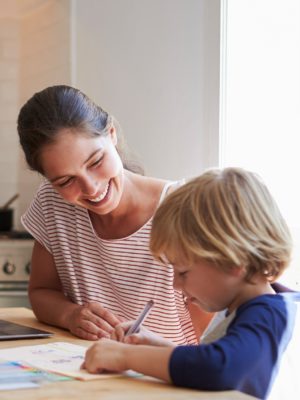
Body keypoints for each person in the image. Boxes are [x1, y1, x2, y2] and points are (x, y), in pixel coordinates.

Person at [83, 167, 300, 399]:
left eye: (183, 272)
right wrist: (157, 346)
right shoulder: (247, 308)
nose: (175, 284)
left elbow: (219, 367)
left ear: (232, 261)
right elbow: (213, 359)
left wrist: (124, 357)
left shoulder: (268, 315)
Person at [17, 85, 209, 343]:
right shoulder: (52, 204)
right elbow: (41, 291)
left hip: (172, 375)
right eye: (65, 181)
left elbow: (214, 343)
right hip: (91, 371)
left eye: (95, 162)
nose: (91, 188)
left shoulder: (187, 210)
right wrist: (71, 315)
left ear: (112, 134)